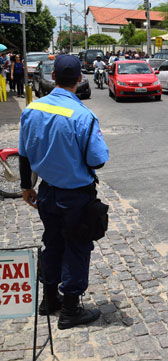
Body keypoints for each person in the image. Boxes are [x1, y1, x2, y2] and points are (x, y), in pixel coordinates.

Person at [18, 54, 109, 330]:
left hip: (46, 193)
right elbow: (98, 160)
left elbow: (23, 154)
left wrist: (25, 186)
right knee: (77, 247)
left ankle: (49, 300)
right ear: (80, 79)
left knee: (53, 243)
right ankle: (70, 308)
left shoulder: (32, 110)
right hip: (76, 197)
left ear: (53, 78)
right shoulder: (84, 116)